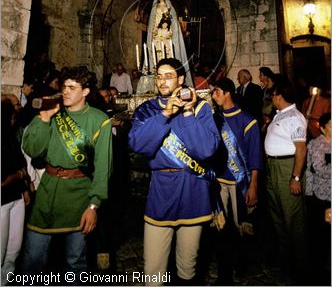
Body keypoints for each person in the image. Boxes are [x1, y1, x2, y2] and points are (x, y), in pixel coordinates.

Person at [128, 57, 220, 285]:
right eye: (159, 76)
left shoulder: (200, 108)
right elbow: (137, 144)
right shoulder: (147, 110)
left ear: (181, 78)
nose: (162, 81)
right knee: (153, 271)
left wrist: (187, 113)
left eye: (168, 76)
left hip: (193, 190)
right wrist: (166, 114)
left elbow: (207, 149)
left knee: (187, 267)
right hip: (161, 190)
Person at [20, 66, 113, 281]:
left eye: (72, 87)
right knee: (33, 259)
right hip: (48, 193)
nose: (66, 91)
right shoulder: (52, 113)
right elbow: (33, 150)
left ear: (86, 91)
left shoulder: (99, 120)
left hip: (79, 195)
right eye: (64, 87)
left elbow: (102, 167)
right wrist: (43, 118)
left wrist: (93, 205)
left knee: (75, 261)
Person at [210, 77, 263, 284]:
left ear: (227, 93)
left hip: (240, 182)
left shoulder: (247, 120)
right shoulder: (214, 119)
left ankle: (242, 263)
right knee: (221, 229)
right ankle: (224, 272)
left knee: (240, 227)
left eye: (216, 92)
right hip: (219, 181)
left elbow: (255, 156)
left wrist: (253, 185)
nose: (214, 96)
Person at [264, 76, 308, 284]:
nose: (271, 98)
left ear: (279, 96)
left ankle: (300, 268)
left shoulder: (295, 118)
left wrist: (295, 177)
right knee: (278, 216)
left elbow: (301, 149)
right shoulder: (280, 115)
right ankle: (286, 261)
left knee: (293, 220)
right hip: (273, 167)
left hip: (286, 167)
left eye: (273, 95)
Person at [1, 101, 31, 286]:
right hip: (2, 202)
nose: (14, 120)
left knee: (14, 249)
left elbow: (20, 164)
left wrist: (24, 189)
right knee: (1, 249)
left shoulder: (10, 138)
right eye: (11, 117)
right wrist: (20, 175)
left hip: (16, 198)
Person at [305, 112, 331, 284]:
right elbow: (319, 169)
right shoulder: (317, 144)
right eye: (331, 125)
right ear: (322, 128)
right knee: (321, 236)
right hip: (320, 196)